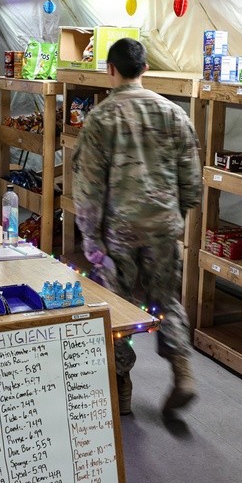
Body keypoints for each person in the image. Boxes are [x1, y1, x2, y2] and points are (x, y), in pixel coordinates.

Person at [72, 37, 202, 416]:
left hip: (119, 231)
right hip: (164, 225)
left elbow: (88, 187)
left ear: (110, 69)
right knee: (167, 298)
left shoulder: (101, 118)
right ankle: (182, 372)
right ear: (145, 68)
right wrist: (174, 215)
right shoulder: (174, 113)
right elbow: (192, 180)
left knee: (116, 307)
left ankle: (121, 386)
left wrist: (91, 237)